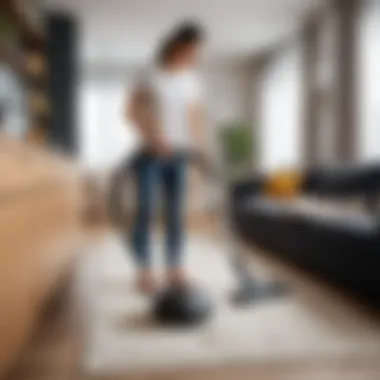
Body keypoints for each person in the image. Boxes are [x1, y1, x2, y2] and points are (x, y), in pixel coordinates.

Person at [127, 21, 206, 293]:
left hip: (180, 155)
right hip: (150, 154)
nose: (194, 56)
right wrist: (153, 137)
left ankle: (175, 267)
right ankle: (145, 270)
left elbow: (194, 116)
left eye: (196, 51)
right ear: (176, 45)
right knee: (146, 211)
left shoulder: (193, 80)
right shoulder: (150, 73)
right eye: (190, 50)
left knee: (175, 214)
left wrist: (197, 145)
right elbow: (132, 111)